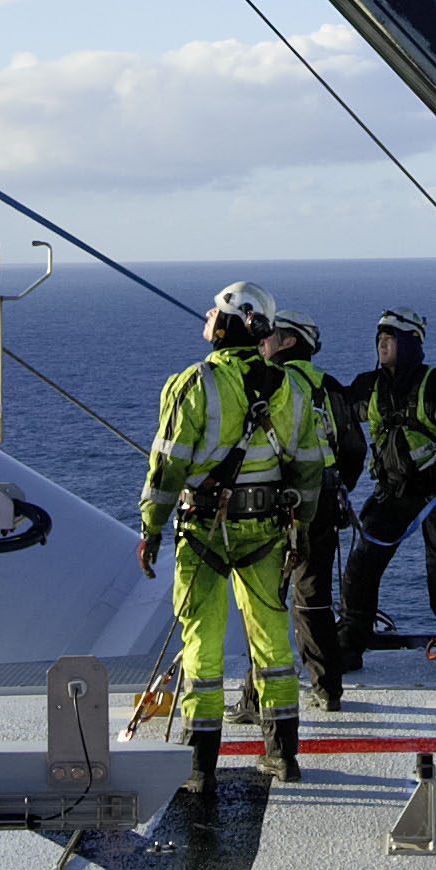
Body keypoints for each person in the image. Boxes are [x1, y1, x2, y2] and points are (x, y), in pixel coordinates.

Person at [140, 280, 333, 789]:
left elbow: (166, 470)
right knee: (272, 644)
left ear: (233, 322)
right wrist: (303, 529)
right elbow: (309, 467)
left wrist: (151, 529)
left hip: (203, 530)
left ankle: (200, 767)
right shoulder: (289, 388)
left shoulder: (193, 385)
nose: (207, 317)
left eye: (214, 312)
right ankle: (281, 756)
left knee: (202, 646)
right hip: (266, 532)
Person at [335, 306, 436, 684]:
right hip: (392, 492)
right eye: (380, 338)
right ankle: (350, 645)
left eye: (391, 338)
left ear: (410, 343)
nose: (382, 343)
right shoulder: (369, 387)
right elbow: (336, 413)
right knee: (361, 566)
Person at [260, 310, 361, 712]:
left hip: (277, 506)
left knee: (266, 602)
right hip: (324, 503)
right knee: (313, 598)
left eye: (269, 336)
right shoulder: (329, 386)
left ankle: (257, 698)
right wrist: (336, 488)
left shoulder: (273, 384)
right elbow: (354, 449)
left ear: (288, 341)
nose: (261, 342)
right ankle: (327, 688)